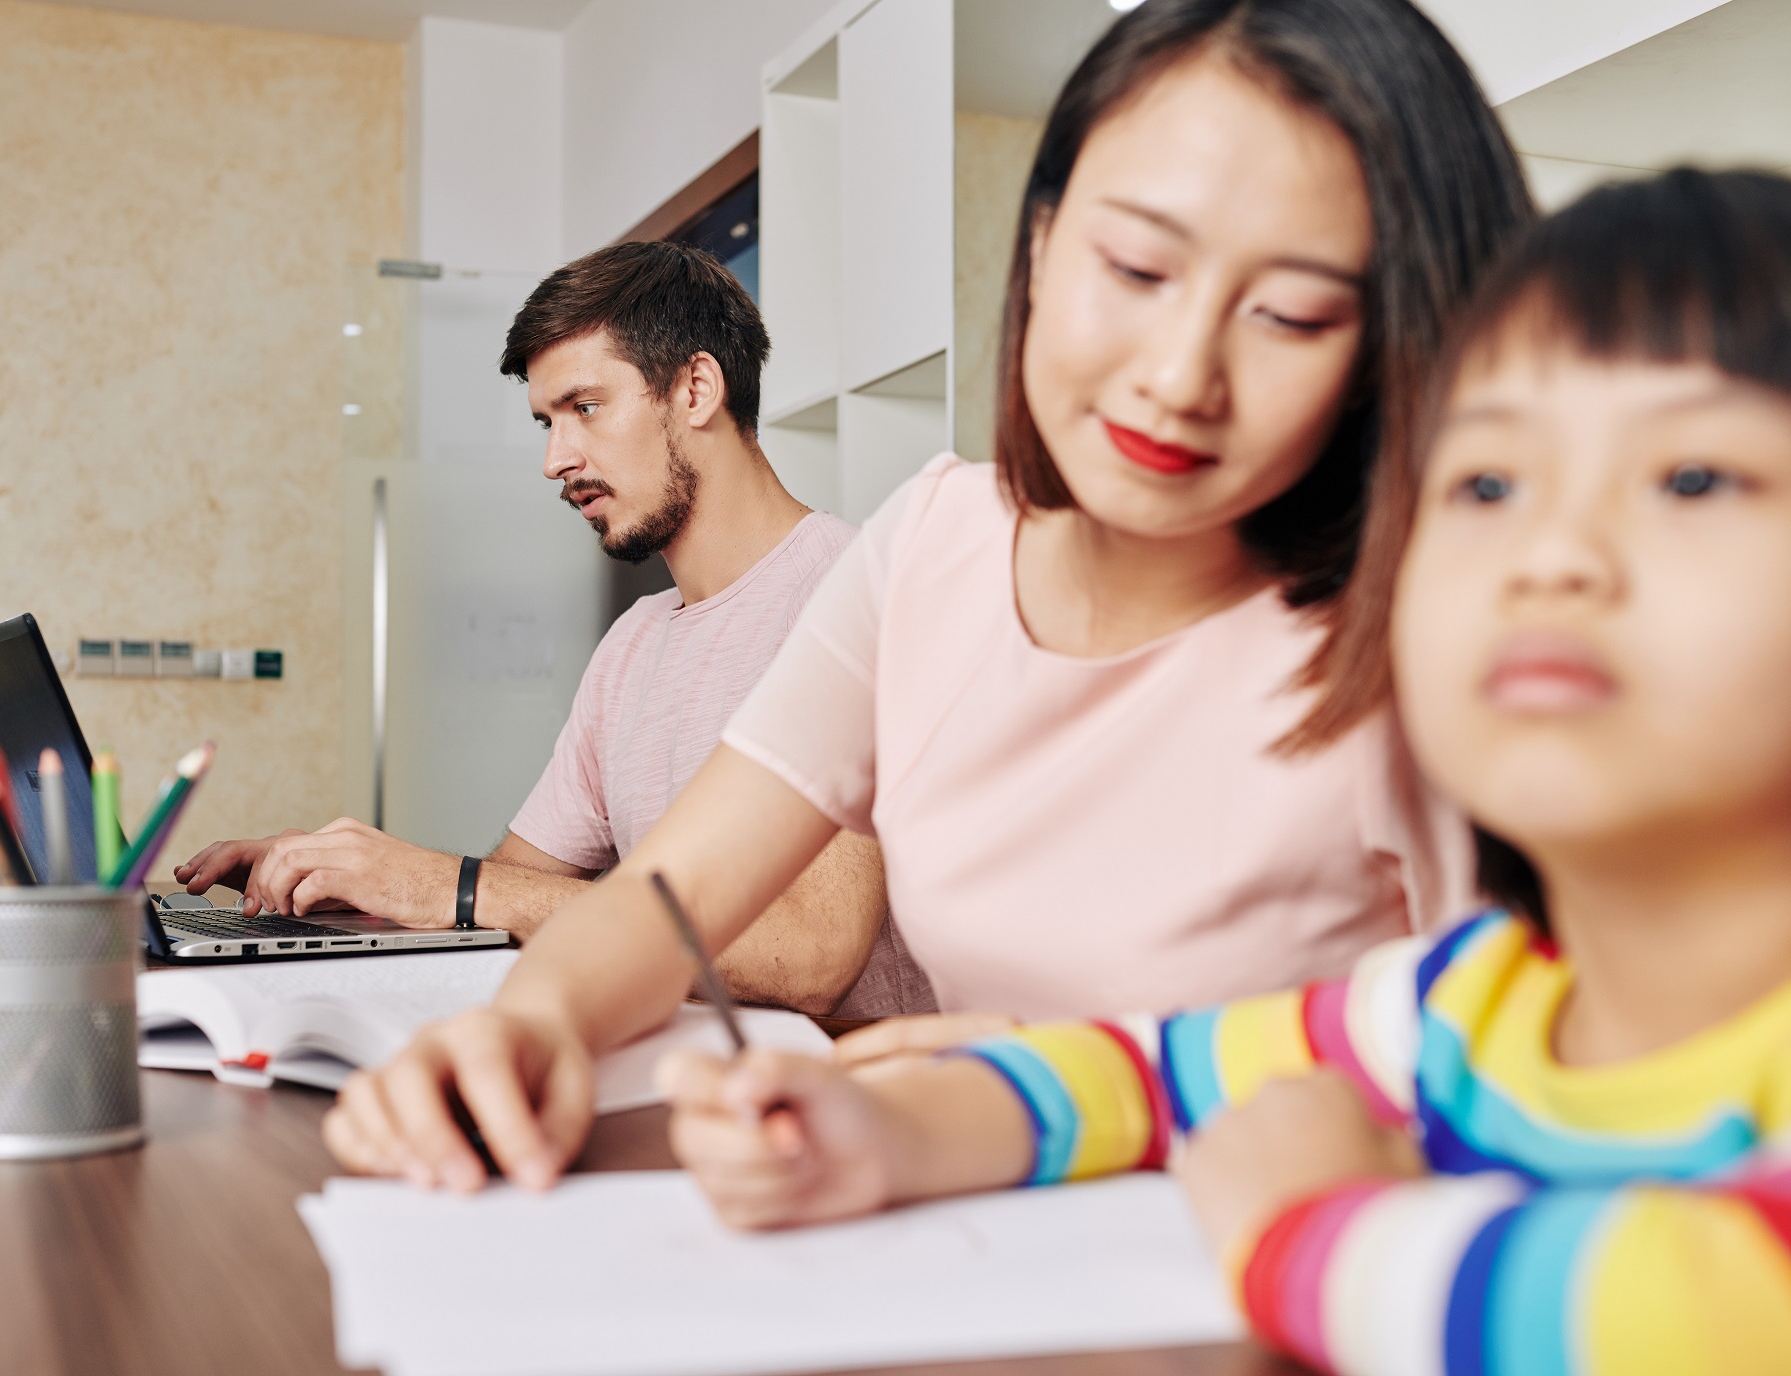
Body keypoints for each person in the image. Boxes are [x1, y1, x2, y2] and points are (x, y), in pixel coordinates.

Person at [320, 0, 1532, 1189]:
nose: (1179, 376)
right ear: (1046, 245)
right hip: (969, 1240)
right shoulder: (938, 542)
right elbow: (667, 900)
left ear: (1388, 344)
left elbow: (1548, 1096)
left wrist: (1043, 1094)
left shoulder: (1435, 631)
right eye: (1137, 266)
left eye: (1291, 314)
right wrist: (532, 1026)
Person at [666, 169, 1791, 1371]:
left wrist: (1300, 1225)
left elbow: (1697, 1308)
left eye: (1690, 477)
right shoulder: (1468, 1002)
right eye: (1488, 485)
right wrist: (889, 1126)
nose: (1550, 555)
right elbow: (1152, 1065)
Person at [174, 241, 932, 1018]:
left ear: (698, 388)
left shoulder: (853, 594)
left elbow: (810, 957)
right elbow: (520, 888)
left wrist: (446, 886)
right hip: (682, 1078)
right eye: (546, 421)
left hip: (842, 1105)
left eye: (586, 408)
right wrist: (340, 883)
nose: (554, 459)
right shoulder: (635, 643)